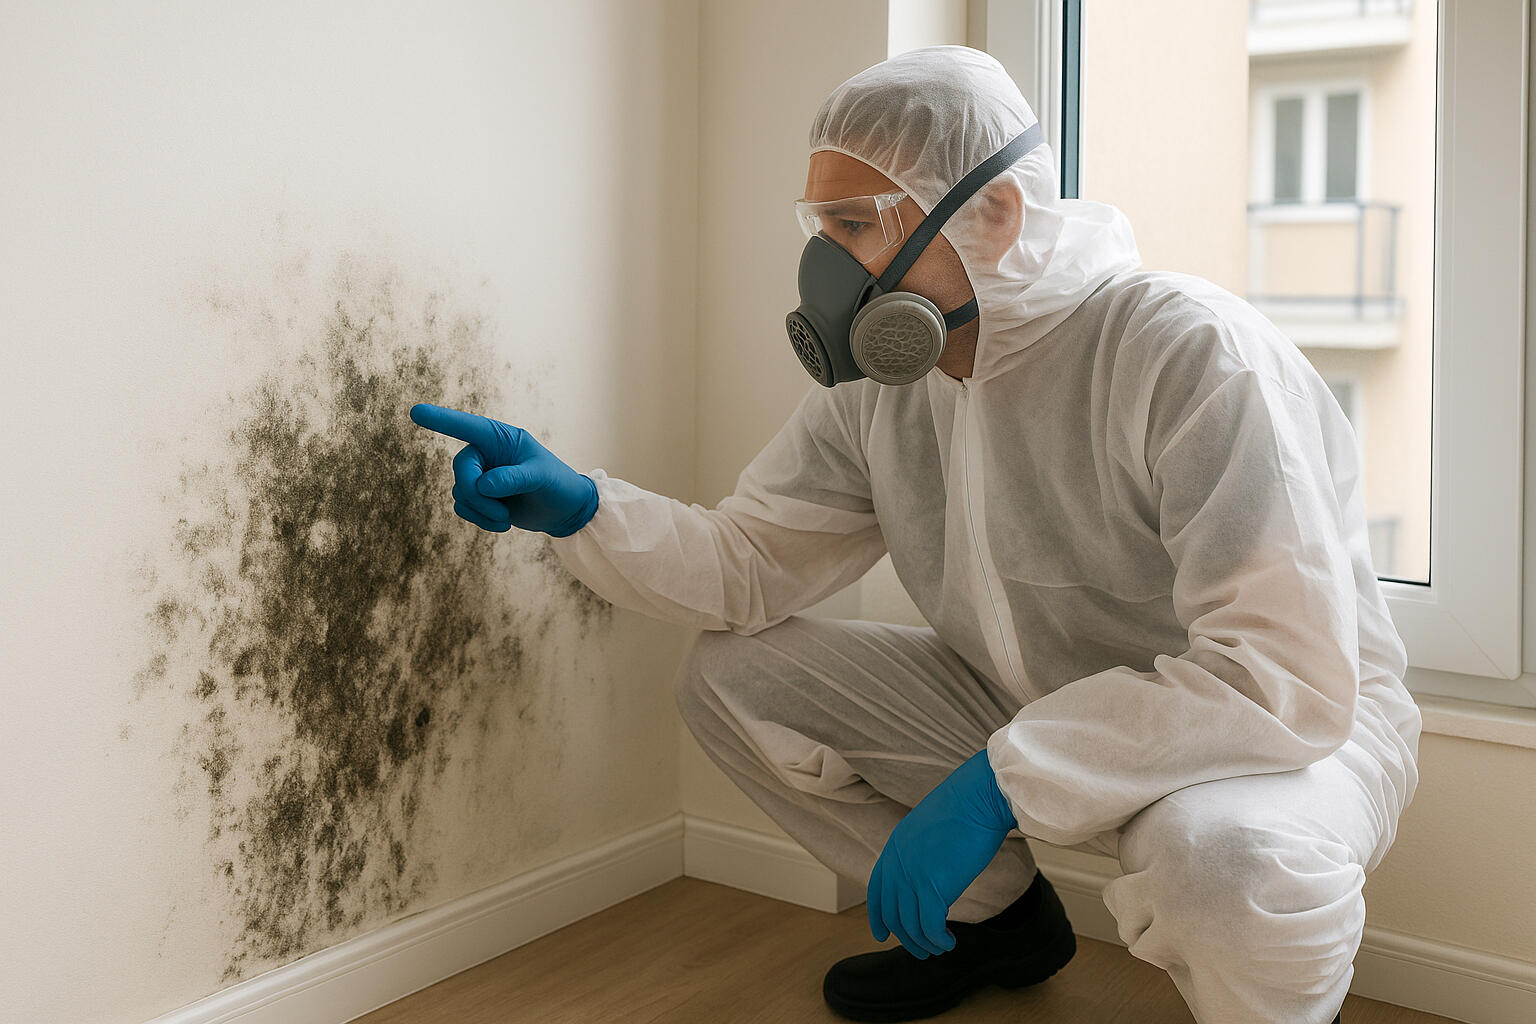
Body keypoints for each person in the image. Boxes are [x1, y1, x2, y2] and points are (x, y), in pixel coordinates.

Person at [411, 45, 1419, 1024]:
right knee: (733, 675)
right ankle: (997, 925)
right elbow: (752, 565)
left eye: (855, 224)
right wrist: (585, 506)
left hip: (1279, 734)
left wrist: (999, 777)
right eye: (820, 224)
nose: (826, 263)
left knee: (1223, 863)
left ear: (995, 212)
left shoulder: (1184, 353)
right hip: (1036, 698)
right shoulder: (886, 391)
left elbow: (1278, 672)